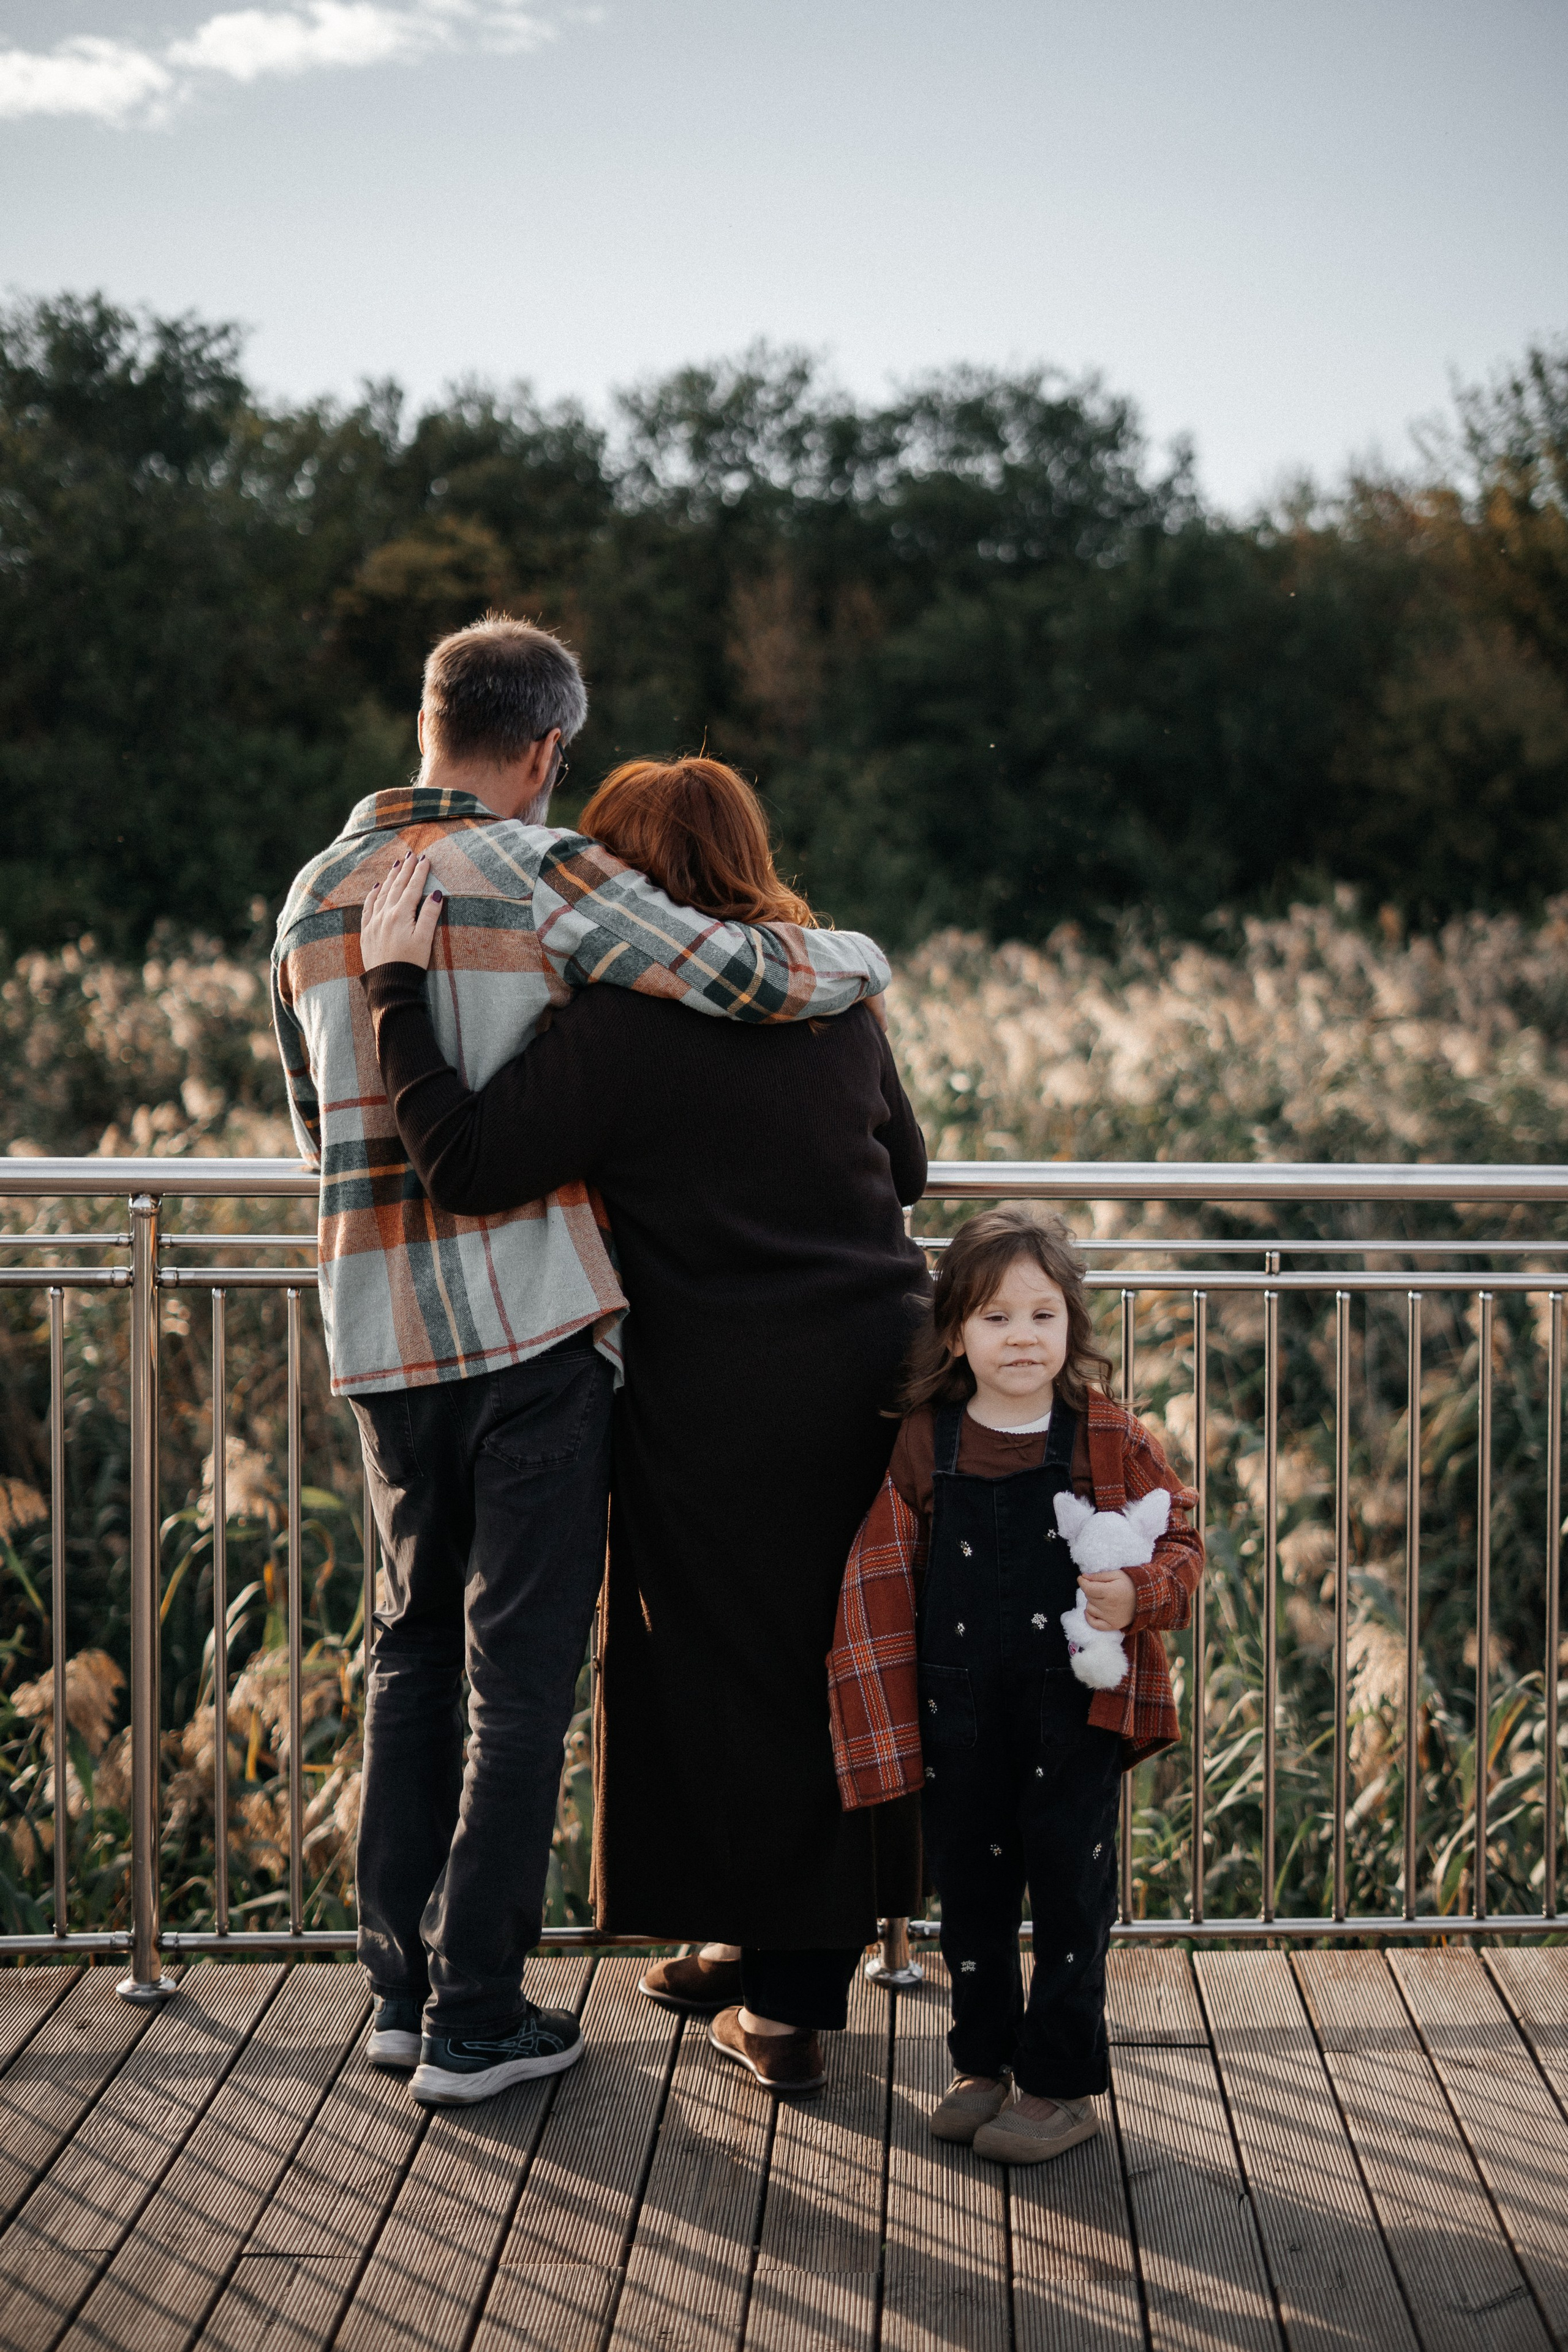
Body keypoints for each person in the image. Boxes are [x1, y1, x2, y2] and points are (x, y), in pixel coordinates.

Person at [272, 623, 891, 2108]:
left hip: (378, 1336)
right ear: (547, 749)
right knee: (520, 1679)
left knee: (407, 1656)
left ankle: (402, 1998)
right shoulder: (546, 872)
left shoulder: (308, 896)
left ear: (425, 721)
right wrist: (859, 957)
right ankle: (480, 2008)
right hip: (533, 1333)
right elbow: (737, 975)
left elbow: (318, 1132)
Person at [825, 1208, 1202, 2161]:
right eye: (996, 1318)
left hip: (1072, 1710)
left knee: (1070, 1892)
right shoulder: (926, 1439)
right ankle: (980, 2064)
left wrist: (1139, 1594)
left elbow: (1182, 1546)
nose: (1022, 1337)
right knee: (973, 1893)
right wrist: (885, 1712)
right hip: (961, 1710)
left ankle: (1060, 2084)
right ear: (956, 1332)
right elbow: (880, 1579)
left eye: (1042, 1315)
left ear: (1071, 1327)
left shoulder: (1105, 1437)